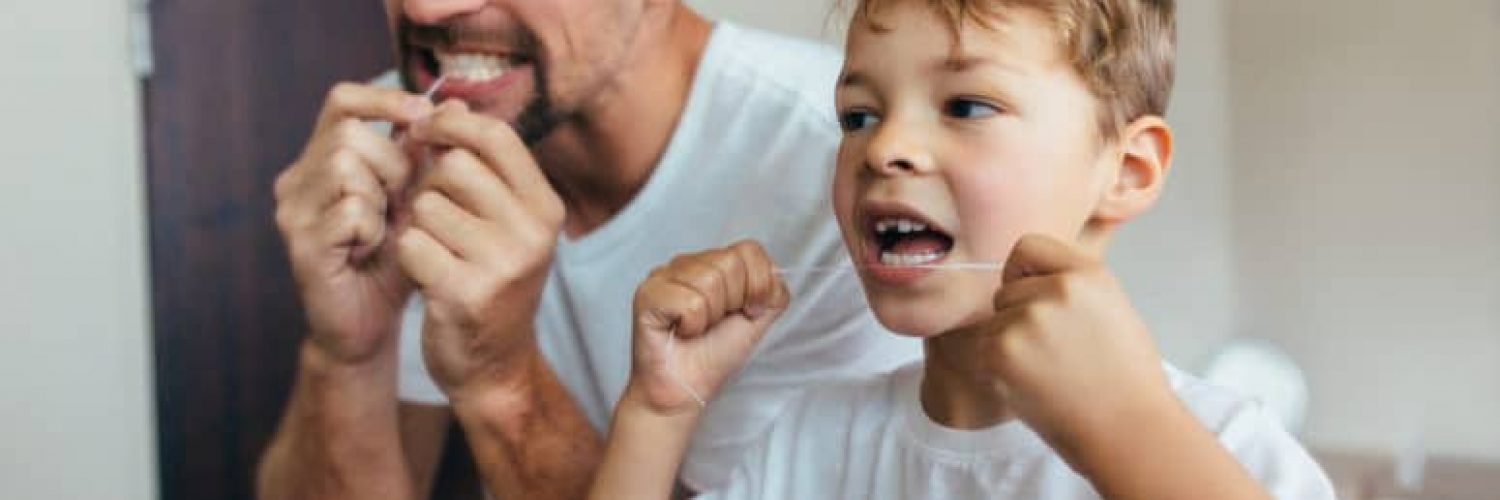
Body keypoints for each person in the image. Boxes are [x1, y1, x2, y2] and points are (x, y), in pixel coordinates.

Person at [588, 0, 1338, 498]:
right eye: (857, 115)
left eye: (967, 105)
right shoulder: (814, 442)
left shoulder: (1226, 447)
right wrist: (656, 412)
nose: (886, 147)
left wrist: (1128, 429)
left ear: (1127, 171)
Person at [256, 0, 920, 498]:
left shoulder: (859, 179)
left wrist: (501, 382)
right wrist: (347, 354)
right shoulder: (400, 148)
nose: (430, 7)